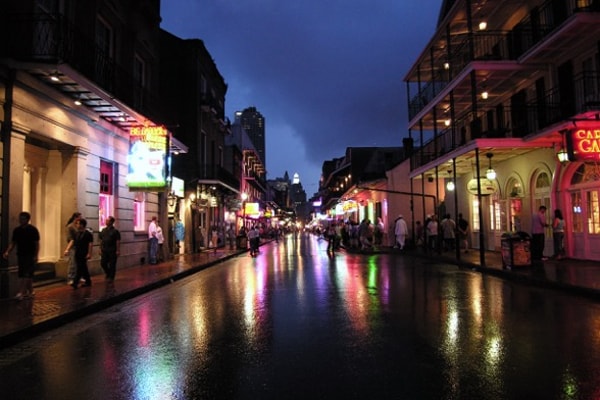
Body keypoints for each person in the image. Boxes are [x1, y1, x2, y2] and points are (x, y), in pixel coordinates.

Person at [3, 211, 40, 300]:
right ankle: (31, 291)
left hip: (30, 254)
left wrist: (36, 255)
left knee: (26, 274)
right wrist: (7, 251)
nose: (21, 220)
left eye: (23, 219)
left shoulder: (33, 230)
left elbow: (36, 244)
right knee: (24, 273)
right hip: (21, 254)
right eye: (20, 219)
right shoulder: (17, 230)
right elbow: (13, 242)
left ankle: (21, 292)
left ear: (27, 220)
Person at [64, 218, 93, 289]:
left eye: (79, 224)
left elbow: (90, 244)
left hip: (84, 252)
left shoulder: (88, 234)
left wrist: (89, 253)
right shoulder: (77, 233)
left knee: (80, 268)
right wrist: (67, 249)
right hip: (77, 252)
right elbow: (72, 241)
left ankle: (75, 282)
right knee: (83, 268)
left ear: (83, 225)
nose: (77, 225)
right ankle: (88, 281)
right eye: (76, 223)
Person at [99, 216, 121, 282]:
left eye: (108, 220)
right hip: (104, 250)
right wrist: (100, 248)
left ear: (111, 222)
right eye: (106, 220)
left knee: (112, 264)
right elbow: (101, 240)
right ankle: (108, 272)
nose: (106, 222)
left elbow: (118, 241)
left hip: (112, 250)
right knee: (103, 263)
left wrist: (118, 250)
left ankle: (111, 277)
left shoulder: (115, 231)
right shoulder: (103, 230)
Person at [65, 212, 82, 284]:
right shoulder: (70, 226)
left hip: (79, 246)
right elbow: (70, 238)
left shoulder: (78, 225)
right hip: (73, 246)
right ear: (76, 217)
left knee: (78, 262)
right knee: (72, 262)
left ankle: (78, 276)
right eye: (80, 217)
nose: (81, 218)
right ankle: (70, 278)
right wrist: (67, 249)